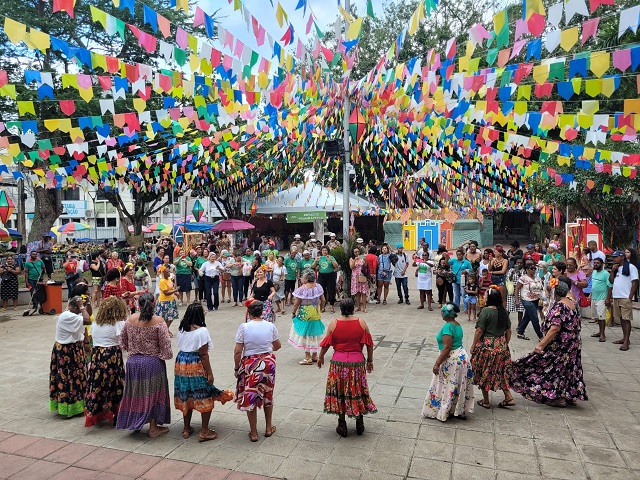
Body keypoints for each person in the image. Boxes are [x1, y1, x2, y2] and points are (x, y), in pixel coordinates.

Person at [511, 277, 588, 407]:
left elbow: (555, 328)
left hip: (561, 344)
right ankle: (569, 394)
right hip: (572, 343)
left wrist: (541, 344)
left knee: (554, 368)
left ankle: (557, 397)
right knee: (568, 368)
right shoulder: (572, 303)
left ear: (556, 292)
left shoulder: (560, 306)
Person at [317, 298, 377, 437]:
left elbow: (326, 343)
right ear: (352, 308)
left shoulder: (334, 323)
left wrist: (321, 357)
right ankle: (359, 422)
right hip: (357, 363)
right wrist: (370, 360)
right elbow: (369, 344)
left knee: (340, 392)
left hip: (338, 363)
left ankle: (342, 423)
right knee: (357, 390)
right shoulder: (361, 323)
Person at [116, 293, 173, 437]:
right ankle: (153, 428)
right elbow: (166, 347)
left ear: (139, 305)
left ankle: (135, 421)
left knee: (135, 393)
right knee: (154, 394)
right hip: (152, 363)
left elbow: (121, 341)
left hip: (133, 362)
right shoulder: (159, 321)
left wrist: (133, 349)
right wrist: (161, 356)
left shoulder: (131, 319)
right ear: (154, 303)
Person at [175, 304, 233, 441]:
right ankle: (204, 431)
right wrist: (210, 373)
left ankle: (186, 428)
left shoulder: (182, 329)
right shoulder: (202, 331)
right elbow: (204, 355)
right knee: (203, 394)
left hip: (181, 362)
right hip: (195, 363)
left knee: (186, 393)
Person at [234, 300, 281, 442]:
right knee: (268, 393)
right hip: (268, 363)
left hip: (251, 364)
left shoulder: (244, 327)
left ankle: (253, 433)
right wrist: (266, 350)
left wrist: (237, 368)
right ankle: (268, 427)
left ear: (249, 313)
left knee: (251, 395)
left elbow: (237, 351)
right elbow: (277, 346)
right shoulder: (270, 326)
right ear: (262, 312)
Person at [421, 303, 474, 421]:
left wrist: (437, 363)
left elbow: (447, 348)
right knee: (458, 385)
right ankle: (458, 410)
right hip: (461, 357)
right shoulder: (457, 324)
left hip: (452, 360)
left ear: (446, 313)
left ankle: (445, 411)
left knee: (447, 385)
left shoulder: (448, 327)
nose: (441, 314)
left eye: (442, 312)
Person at [85, 296, 127, 427]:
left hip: (97, 355)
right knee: (115, 384)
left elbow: (93, 339)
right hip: (111, 356)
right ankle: (117, 412)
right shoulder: (118, 323)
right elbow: (123, 342)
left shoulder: (96, 323)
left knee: (98, 383)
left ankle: (97, 411)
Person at [471, 288, 515, 409]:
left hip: (487, 346)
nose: (484, 297)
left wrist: (473, 345)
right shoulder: (502, 311)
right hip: (501, 345)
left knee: (484, 371)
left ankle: (486, 401)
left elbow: (479, 330)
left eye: (485, 295)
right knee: (501, 371)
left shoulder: (486, 311)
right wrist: (504, 343)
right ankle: (508, 396)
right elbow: (509, 330)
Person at [49, 296, 91, 417]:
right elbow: (87, 320)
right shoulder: (67, 316)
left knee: (78, 376)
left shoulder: (74, 314)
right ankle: (68, 407)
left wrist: (87, 304)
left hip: (74, 348)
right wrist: (82, 307)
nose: (81, 311)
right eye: (79, 308)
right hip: (66, 351)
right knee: (67, 378)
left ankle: (78, 404)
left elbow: (89, 315)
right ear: (74, 306)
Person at [289, 269, 326, 365]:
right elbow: (323, 300)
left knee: (305, 334)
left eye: (303, 277)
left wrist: (293, 312)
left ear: (305, 279)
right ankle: (314, 355)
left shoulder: (302, 289)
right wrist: (321, 309)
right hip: (316, 312)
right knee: (314, 333)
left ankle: (307, 357)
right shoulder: (318, 287)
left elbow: (297, 303)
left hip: (305, 313)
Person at [607, 250, 638, 351]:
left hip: (625, 297)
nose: (614, 259)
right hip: (616, 296)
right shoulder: (616, 269)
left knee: (626, 319)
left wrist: (630, 297)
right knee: (621, 319)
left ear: (622, 257)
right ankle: (624, 338)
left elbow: (635, 282)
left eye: (616, 257)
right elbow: (611, 281)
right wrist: (612, 271)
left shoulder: (630, 267)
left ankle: (626, 342)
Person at [515, 260, 544, 341]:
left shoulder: (537, 278)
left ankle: (520, 332)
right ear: (527, 269)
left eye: (534, 268)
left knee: (527, 316)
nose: (534, 270)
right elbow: (517, 288)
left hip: (536, 300)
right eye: (532, 269)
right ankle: (541, 336)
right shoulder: (523, 278)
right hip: (527, 300)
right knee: (534, 318)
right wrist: (517, 300)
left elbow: (541, 289)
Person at [589, 257, 611, 342]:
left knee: (602, 317)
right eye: (594, 263)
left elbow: (609, 286)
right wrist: (590, 294)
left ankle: (602, 334)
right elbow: (594, 285)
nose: (595, 264)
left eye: (597, 263)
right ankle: (599, 332)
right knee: (597, 316)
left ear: (602, 264)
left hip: (602, 298)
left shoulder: (605, 273)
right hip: (594, 297)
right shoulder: (594, 272)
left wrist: (608, 298)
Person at [313, 246, 339, 313]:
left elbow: (336, 266)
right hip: (322, 276)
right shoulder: (320, 258)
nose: (324, 252)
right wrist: (316, 261)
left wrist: (331, 260)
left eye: (326, 250)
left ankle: (331, 306)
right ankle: (323, 306)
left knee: (331, 290)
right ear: (321, 251)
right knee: (322, 290)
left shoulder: (331, 257)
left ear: (328, 251)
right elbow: (313, 266)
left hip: (330, 275)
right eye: (323, 250)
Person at [155, 265, 179, 336]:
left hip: (171, 300)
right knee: (165, 318)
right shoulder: (162, 281)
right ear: (163, 273)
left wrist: (176, 293)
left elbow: (171, 289)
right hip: (164, 301)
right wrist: (175, 290)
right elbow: (166, 293)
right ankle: (165, 331)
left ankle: (166, 329)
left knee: (171, 317)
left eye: (169, 272)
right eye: (167, 272)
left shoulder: (169, 279)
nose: (169, 273)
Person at [349, 247, 369, 313]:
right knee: (357, 293)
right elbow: (351, 267)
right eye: (355, 252)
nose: (357, 253)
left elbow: (366, 266)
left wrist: (365, 260)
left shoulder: (362, 258)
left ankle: (365, 307)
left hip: (362, 276)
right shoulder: (351, 259)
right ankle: (358, 307)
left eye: (358, 251)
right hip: (355, 277)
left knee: (363, 292)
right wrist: (355, 260)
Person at [506, 258, 525, 324]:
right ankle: (506, 323)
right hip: (512, 290)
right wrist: (512, 273)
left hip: (521, 290)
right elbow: (509, 279)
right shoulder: (511, 270)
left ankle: (519, 324)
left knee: (520, 309)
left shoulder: (524, 271)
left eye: (521, 263)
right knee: (508, 307)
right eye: (517, 263)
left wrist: (519, 274)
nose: (519, 264)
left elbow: (525, 280)